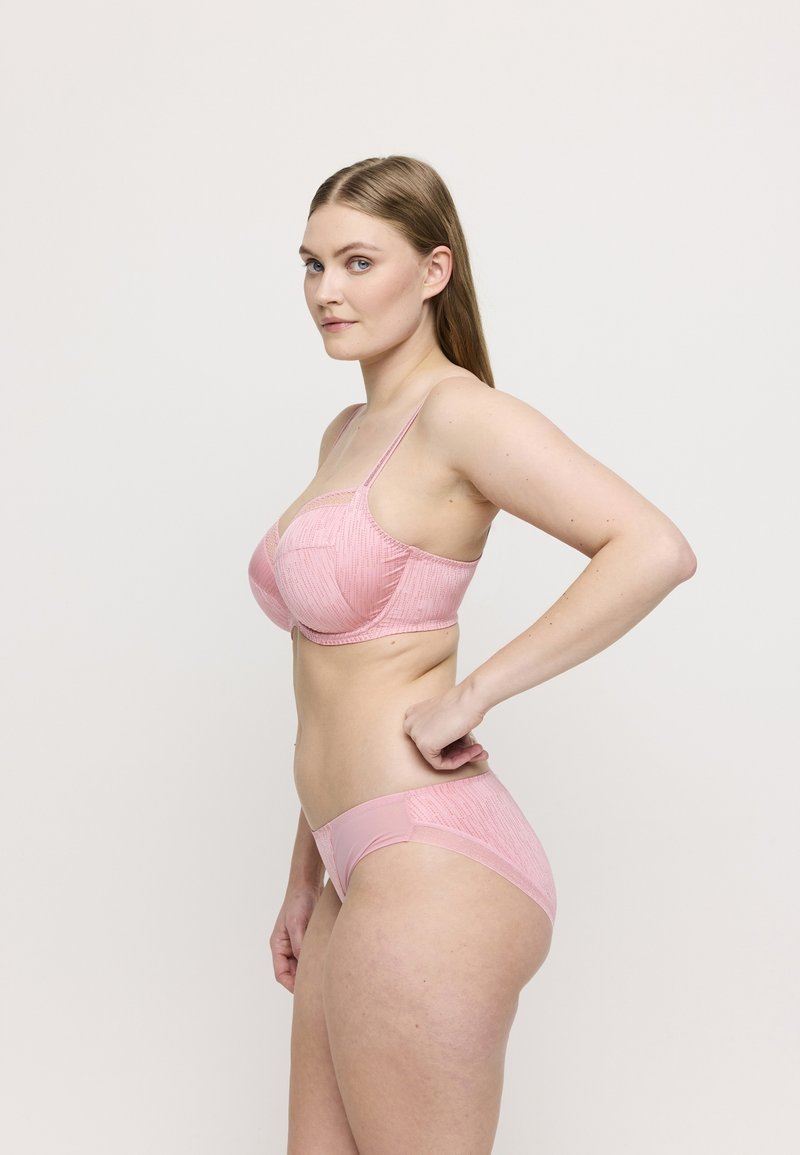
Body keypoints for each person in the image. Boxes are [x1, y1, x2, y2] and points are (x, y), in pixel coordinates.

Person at [248, 154, 696, 1154]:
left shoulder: (457, 413)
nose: (326, 291)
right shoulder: (345, 432)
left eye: (358, 261)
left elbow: (652, 548)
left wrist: (477, 692)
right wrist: (303, 875)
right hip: (349, 866)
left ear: (433, 270)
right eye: (312, 264)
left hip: (431, 860)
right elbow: (330, 686)